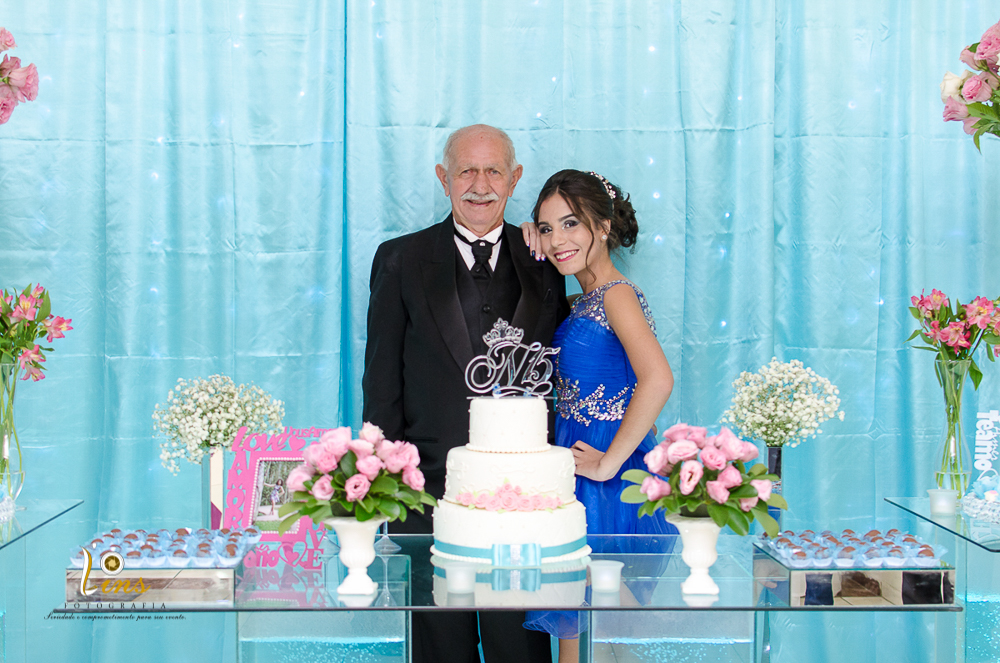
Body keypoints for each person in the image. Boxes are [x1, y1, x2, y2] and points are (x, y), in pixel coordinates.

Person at [362, 124, 569, 663]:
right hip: (428, 495)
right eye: (466, 171)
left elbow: (560, 371)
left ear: (515, 178)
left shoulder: (547, 262)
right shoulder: (400, 259)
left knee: (519, 648)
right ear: (443, 178)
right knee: (440, 647)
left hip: (524, 501)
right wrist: (389, 487)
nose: (480, 184)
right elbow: (381, 382)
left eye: (494, 170)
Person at [521, 169, 676, 663]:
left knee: (604, 628)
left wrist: (609, 463)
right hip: (573, 469)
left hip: (604, 477)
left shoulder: (617, 295)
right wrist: (523, 240)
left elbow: (658, 378)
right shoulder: (580, 298)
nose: (558, 239)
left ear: (603, 226)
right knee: (589, 633)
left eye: (571, 224)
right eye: (546, 228)